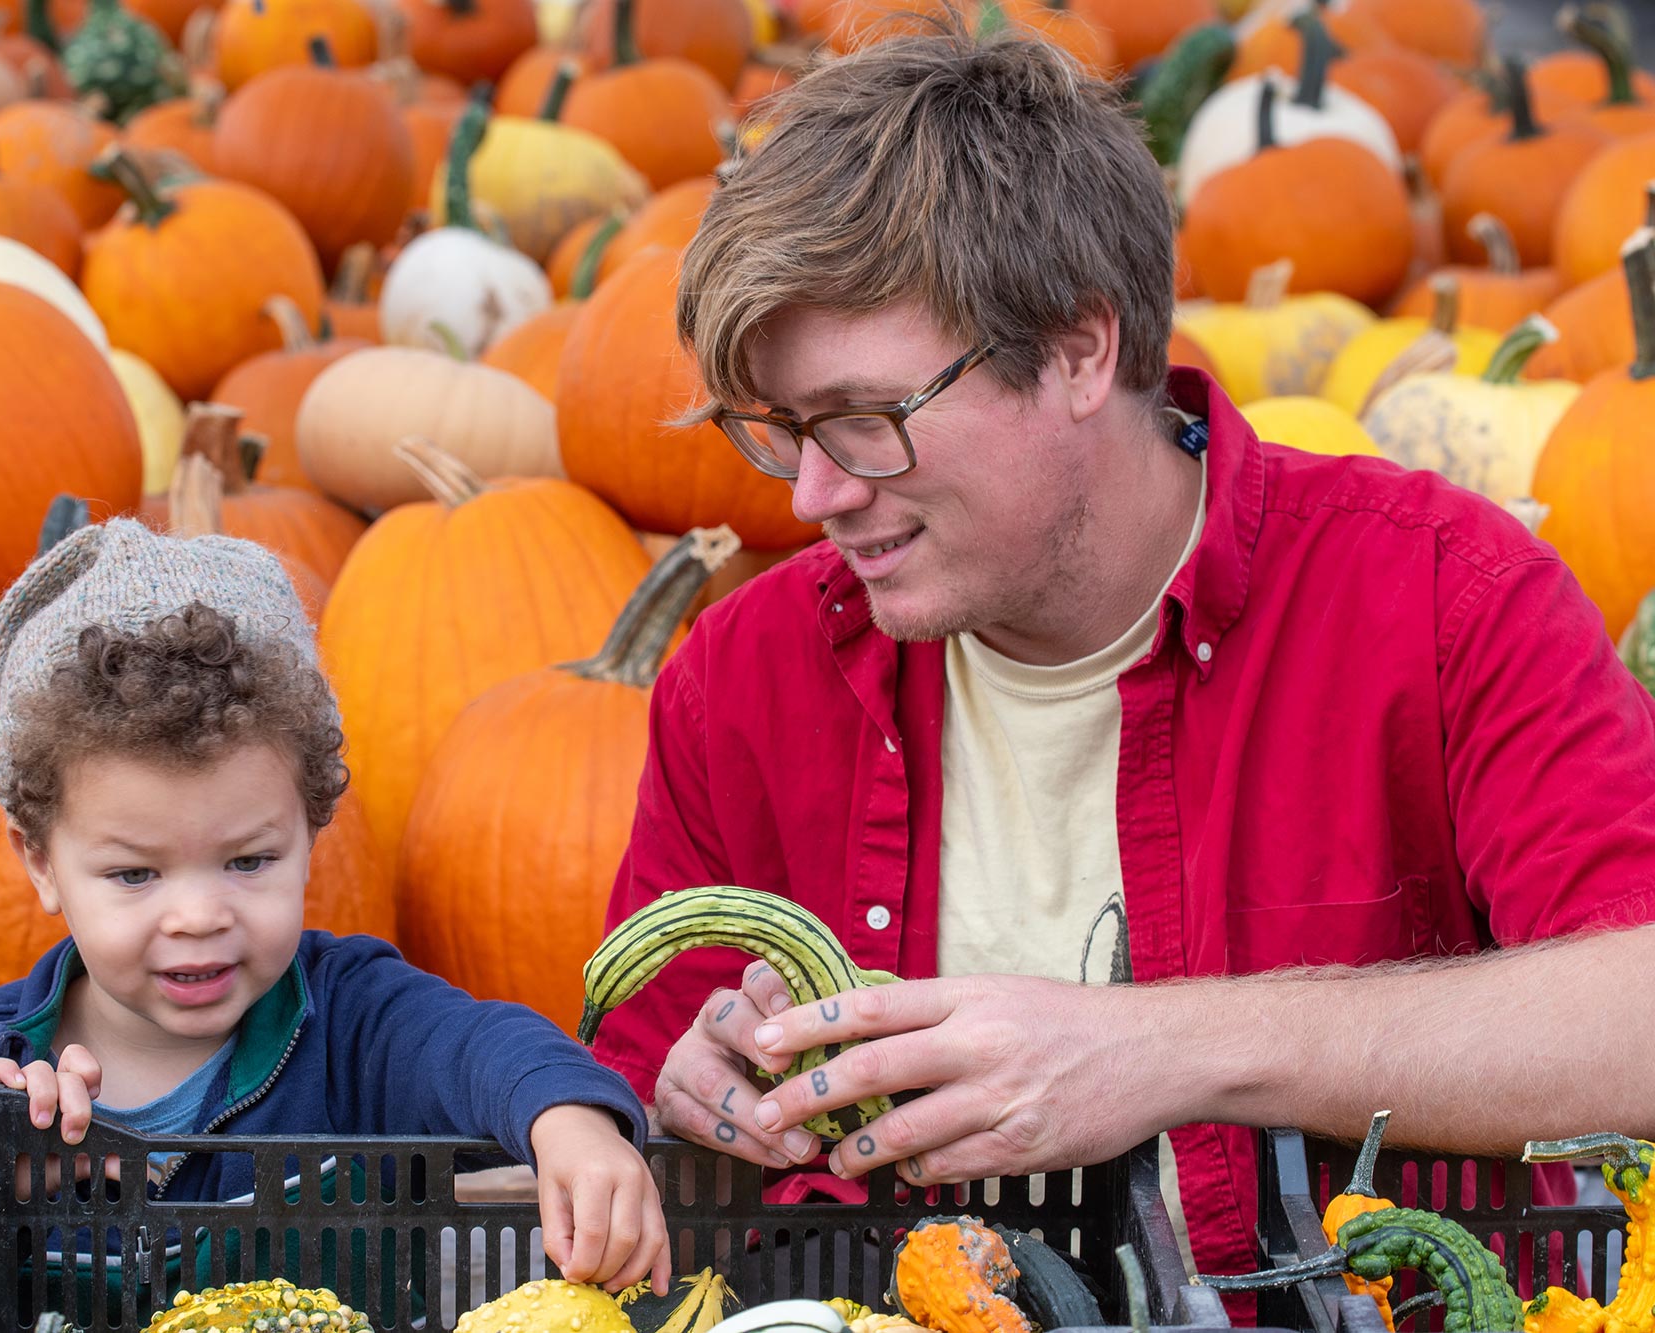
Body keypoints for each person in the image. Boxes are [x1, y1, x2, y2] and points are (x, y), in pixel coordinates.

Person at [588, 24, 1655, 1289]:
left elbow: (1630, 1011)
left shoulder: (1435, 596)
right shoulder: (744, 674)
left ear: (1082, 350)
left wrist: (1161, 1047)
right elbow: (635, 1134)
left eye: (864, 422)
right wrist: (700, 1109)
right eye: (778, 431)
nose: (814, 491)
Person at [0, 519, 670, 1297]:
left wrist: (570, 1121)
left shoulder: (355, 1021)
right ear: (41, 862)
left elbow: (484, 1046)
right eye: (134, 875)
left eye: (248, 860)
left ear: (311, 827)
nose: (197, 915)